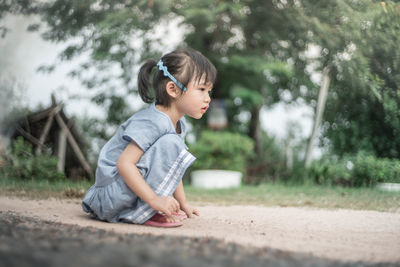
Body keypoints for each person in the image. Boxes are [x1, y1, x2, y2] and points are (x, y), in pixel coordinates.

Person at [82, 47, 217, 228]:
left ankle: (144, 208)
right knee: (170, 143)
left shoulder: (179, 123)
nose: (207, 98)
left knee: (172, 144)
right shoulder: (152, 121)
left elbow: (171, 166)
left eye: (209, 91)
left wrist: (183, 203)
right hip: (111, 195)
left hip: (122, 192)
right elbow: (124, 164)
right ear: (173, 89)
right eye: (201, 89)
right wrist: (154, 200)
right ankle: (146, 210)